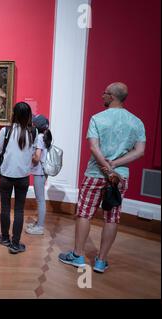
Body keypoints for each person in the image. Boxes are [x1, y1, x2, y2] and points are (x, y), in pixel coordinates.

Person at [59, 82, 145, 273]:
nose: (102, 96)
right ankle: (100, 261)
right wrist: (115, 166)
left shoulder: (98, 118)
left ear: (112, 96)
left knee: (84, 213)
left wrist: (107, 167)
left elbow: (93, 147)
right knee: (112, 217)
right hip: (119, 177)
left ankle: (78, 255)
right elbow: (139, 151)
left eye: (105, 93)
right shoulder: (136, 122)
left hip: (95, 174)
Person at [0, 102, 36, 254]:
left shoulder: (5, 131)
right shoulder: (34, 132)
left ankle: (5, 238)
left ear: (14, 114)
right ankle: (15, 244)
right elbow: (33, 153)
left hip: (5, 174)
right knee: (19, 210)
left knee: (5, 207)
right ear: (29, 115)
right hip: (23, 176)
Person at [26, 114, 52, 235]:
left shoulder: (40, 137)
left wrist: (27, 157)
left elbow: (37, 157)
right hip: (41, 172)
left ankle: (40, 227)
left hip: (40, 172)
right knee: (40, 199)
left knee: (40, 200)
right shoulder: (45, 136)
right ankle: (38, 223)